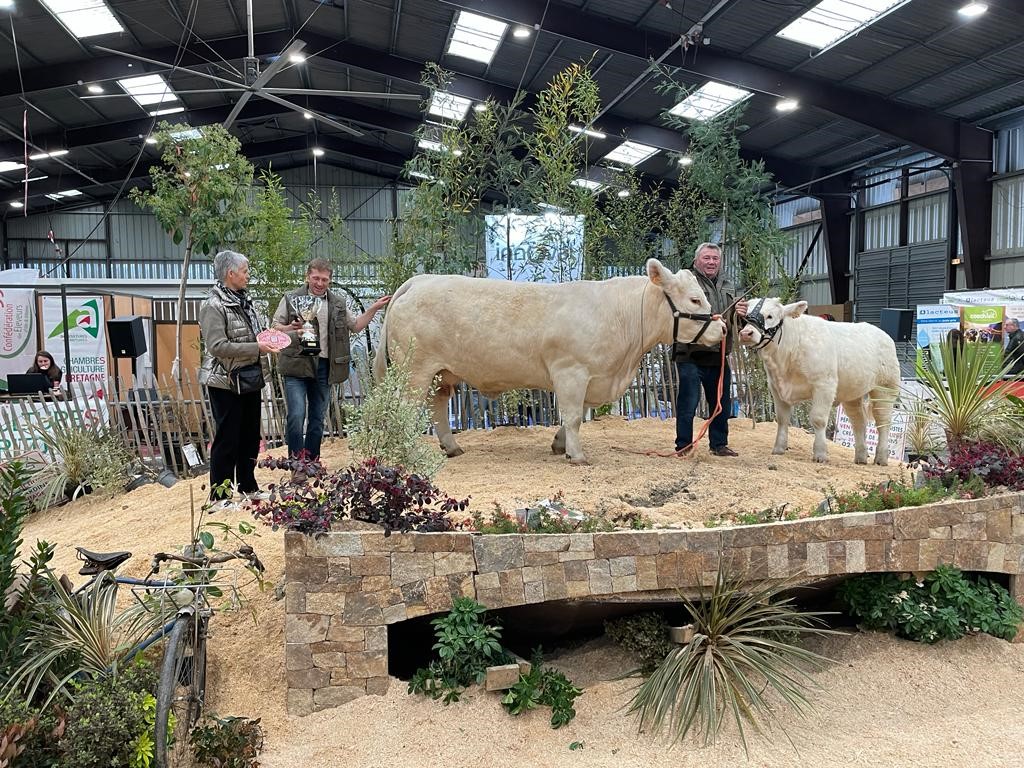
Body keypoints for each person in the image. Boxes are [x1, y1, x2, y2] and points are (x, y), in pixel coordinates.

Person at [272, 258, 390, 477]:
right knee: (296, 415)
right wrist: (291, 327)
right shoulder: (291, 298)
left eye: (324, 279)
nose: (319, 283)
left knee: (317, 418)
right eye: (316, 278)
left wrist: (374, 307)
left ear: (330, 280)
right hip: (296, 365)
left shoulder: (337, 302)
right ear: (307, 276)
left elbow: (355, 326)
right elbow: (275, 328)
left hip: (324, 366)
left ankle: (312, 463)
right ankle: (297, 466)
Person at [198, 250, 278, 508]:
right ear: (230, 273)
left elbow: (251, 335)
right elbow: (217, 346)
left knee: (250, 435)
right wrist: (257, 348)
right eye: (244, 271)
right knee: (227, 437)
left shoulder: (245, 300)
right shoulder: (213, 304)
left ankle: (247, 486)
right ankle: (219, 496)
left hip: (250, 376)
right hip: (225, 380)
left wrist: (275, 336)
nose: (248, 275)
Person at [674, 242, 747, 457]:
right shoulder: (686, 281)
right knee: (689, 400)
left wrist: (739, 312)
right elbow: (680, 311)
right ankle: (683, 445)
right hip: (690, 351)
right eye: (707, 258)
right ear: (697, 260)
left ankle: (719, 444)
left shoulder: (728, 283)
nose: (711, 262)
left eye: (715, 258)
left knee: (721, 401)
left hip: (719, 351)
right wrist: (708, 318)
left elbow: (733, 318)